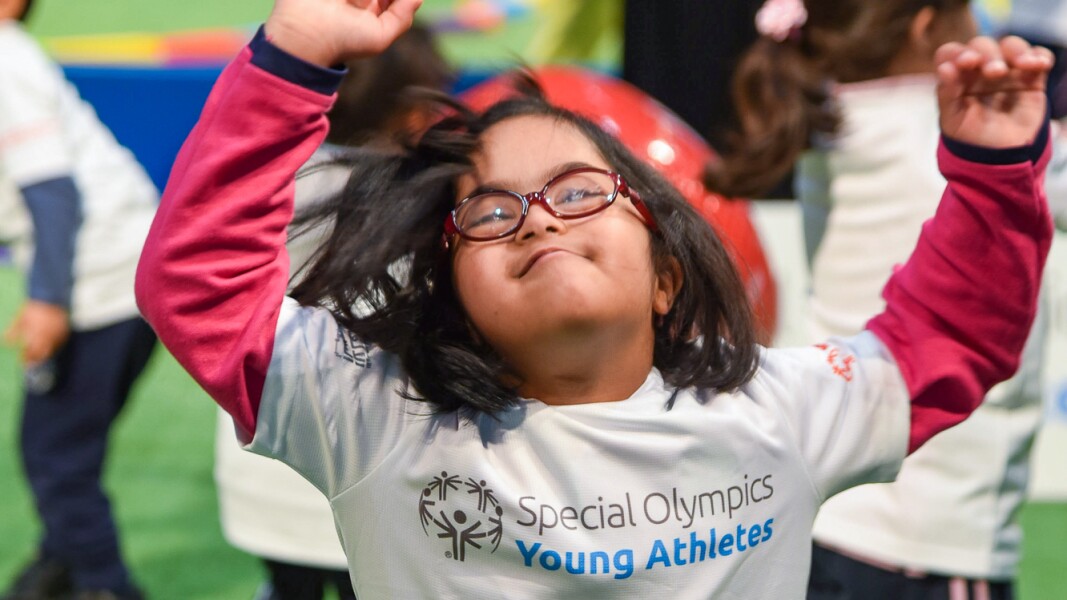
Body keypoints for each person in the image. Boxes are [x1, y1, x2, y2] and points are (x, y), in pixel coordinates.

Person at [134, 0, 1054, 596]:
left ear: (666, 273)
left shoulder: (777, 413)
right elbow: (200, 287)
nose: (540, 220)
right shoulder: (373, 414)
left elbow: (945, 335)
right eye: (490, 213)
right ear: (451, 294)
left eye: (579, 192)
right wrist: (294, 57)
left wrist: (991, 172)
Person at [704, 1, 1062, 598]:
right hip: (928, 537)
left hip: (835, 509)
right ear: (928, 28)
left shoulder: (832, 118)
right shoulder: (952, 125)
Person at [212, 24, 452, 600]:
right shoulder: (422, 202)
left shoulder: (259, 189)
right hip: (370, 473)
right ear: (417, 115)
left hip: (263, 467)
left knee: (289, 586)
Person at [0, 1, 158, 599]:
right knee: (65, 444)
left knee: (54, 451)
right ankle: (59, 566)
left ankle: (102, 584)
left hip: (103, 281)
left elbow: (53, 194)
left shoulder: (3, 59)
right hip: (121, 272)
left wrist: (47, 301)